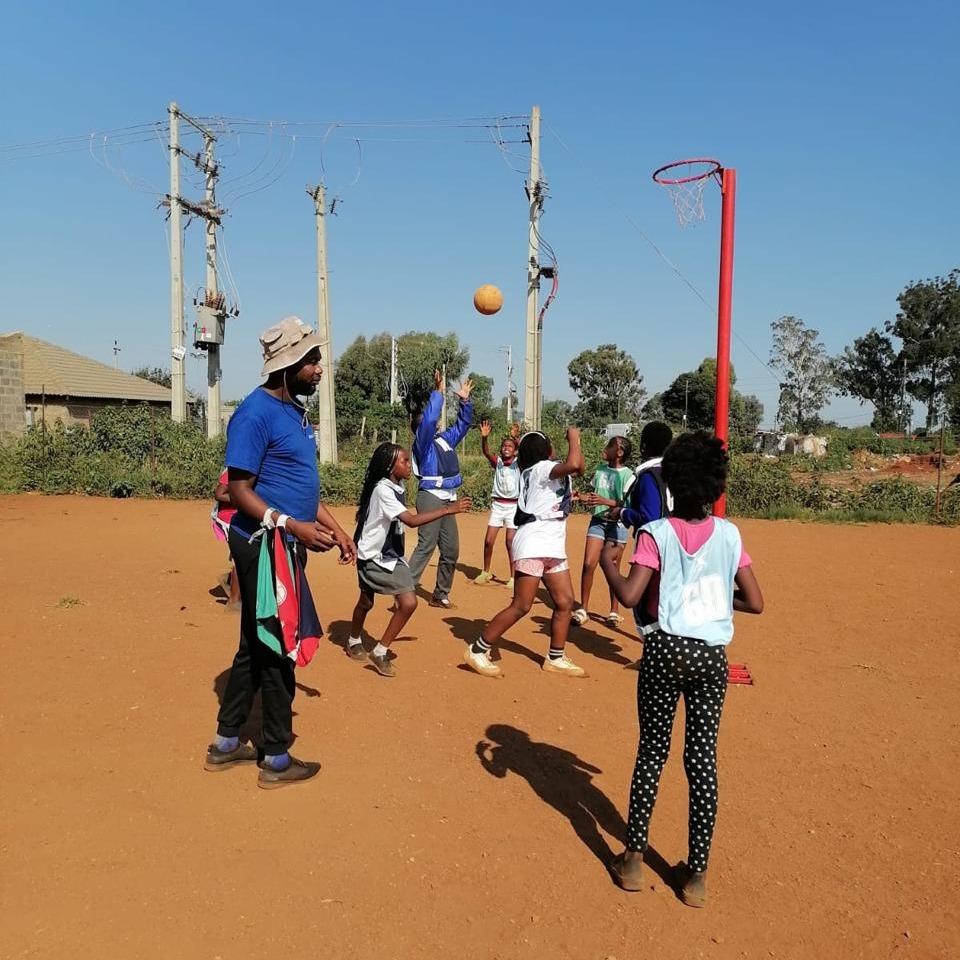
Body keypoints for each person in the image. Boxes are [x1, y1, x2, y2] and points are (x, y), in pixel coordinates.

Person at [599, 431, 764, 907]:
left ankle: (632, 859)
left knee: (652, 751)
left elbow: (630, 596)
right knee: (702, 761)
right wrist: (713, 597)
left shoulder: (657, 534)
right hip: (712, 659)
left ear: (670, 482)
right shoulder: (730, 535)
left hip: (666, 652)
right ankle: (696, 876)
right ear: (715, 486)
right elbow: (754, 602)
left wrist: (611, 564)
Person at [204, 316, 357, 789]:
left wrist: (335, 527)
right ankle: (275, 756)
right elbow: (238, 489)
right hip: (263, 544)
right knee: (277, 640)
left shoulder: (293, 413)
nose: (318, 368)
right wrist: (290, 526)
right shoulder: (254, 413)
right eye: (310, 361)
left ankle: (228, 741)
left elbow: (298, 488)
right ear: (286, 365)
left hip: (287, 538)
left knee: (255, 638)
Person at [463, 427, 587, 679]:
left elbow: (579, 466)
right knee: (522, 605)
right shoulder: (540, 469)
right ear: (545, 451)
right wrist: (574, 437)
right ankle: (477, 649)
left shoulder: (545, 469)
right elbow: (575, 463)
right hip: (534, 544)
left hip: (552, 544)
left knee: (565, 602)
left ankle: (555, 657)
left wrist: (575, 444)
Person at [347, 442, 472, 677]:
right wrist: (448, 509)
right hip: (373, 557)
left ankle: (379, 649)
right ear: (389, 466)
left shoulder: (397, 485)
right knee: (370, 603)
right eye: (404, 461)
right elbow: (411, 521)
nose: (409, 465)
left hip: (390, 556)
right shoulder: (383, 490)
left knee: (404, 602)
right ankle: (355, 640)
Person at [407, 370, 474, 609]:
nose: (437, 423)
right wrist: (438, 394)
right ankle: (404, 590)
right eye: (433, 422)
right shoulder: (422, 444)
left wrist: (465, 401)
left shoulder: (444, 439)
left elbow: (463, 425)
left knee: (451, 549)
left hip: (449, 499)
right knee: (426, 545)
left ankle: (440, 594)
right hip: (431, 498)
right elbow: (428, 420)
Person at [608, 421, 673, 644]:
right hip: (678, 544)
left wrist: (623, 513)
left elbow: (649, 518)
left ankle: (655, 655)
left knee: (644, 604)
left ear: (644, 447)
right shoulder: (676, 472)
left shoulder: (648, 477)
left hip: (655, 547)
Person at [571, 435, 633, 628]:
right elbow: (593, 496)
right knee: (589, 564)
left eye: (610, 445)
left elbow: (628, 504)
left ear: (619, 452)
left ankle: (614, 611)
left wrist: (605, 502)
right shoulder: (600, 470)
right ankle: (583, 609)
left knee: (612, 569)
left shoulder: (628, 475)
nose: (605, 447)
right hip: (598, 521)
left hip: (618, 525)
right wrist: (580, 497)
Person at [473, 419, 520, 589]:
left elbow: (525, 452)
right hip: (498, 506)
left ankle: (514, 577)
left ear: (515, 451)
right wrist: (484, 438)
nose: (506, 448)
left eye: (510, 446)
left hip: (513, 507)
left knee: (510, 542)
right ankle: (486, 572)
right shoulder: (498, 462)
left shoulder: (519, 464)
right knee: (488, 541)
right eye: (504, 446)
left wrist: (517, 438)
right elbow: (486, 452)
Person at [212, 468, 242, 610]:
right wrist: (242, 499)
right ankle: (234, 601)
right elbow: (219, 494)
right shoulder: (233, 470)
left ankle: (230, 580)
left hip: (244, 518)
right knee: (240, 557)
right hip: (230, 519)